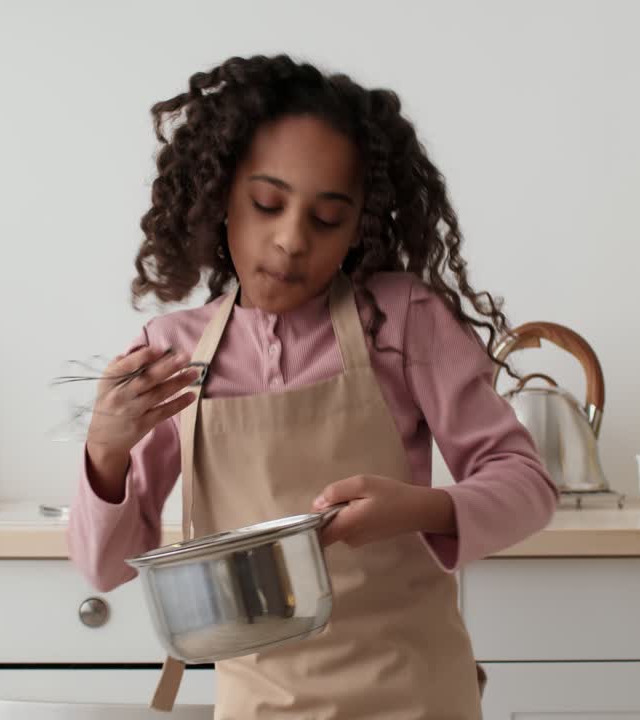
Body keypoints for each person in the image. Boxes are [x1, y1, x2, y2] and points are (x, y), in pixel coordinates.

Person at [67, 53, 558, 719]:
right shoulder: (170, 354)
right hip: (261, 703)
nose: (292, 240)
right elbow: (106, 568)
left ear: (360, 224)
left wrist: (417, 508)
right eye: (267, 204)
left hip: (416, 694)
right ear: (220, 199)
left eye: (327, 218)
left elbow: (527, 486)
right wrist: (105, 452)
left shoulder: (404, 320)